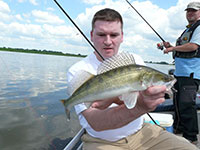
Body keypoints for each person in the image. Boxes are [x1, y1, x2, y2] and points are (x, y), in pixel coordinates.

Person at [67, 8, 198, 149]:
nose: (108, 41)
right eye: (101, 34)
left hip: (141, 132)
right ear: (92, 35)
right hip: (101, 141)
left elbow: (130, 99)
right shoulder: (78, 70)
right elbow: (96, 122)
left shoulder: (135, 60)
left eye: (114, 35)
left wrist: (120, 99)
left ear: (122, 36)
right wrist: (140, 106)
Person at [163, 1, 200, 144]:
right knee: (178, 103)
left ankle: (191, 137)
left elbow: (193, 46)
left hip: (191, 73)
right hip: (181, 73)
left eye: (194, 11)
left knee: (186, 104)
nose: (190, 13)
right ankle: (178, 129)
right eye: (188, 11)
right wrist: (171, 46)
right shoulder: (189, 29)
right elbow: (183, 48)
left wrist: (172, 49)